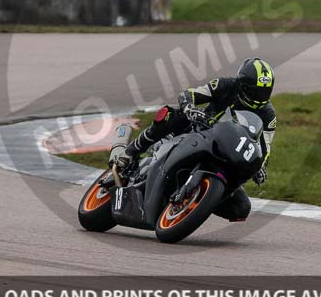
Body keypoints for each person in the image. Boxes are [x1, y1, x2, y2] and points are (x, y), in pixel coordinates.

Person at [113, 57, 276, 222]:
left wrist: (260, 167)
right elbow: (190, 94)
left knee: (241, 208)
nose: (259, 97)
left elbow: (265, 148)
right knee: (170, 114)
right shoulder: (225, 85)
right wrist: (189, 107)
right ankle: (131, 150)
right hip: (198, 130)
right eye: (255, 91)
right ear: (242, 84)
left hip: (225, 152)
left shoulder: (268, 114)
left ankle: (196, 203)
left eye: (264, 92)